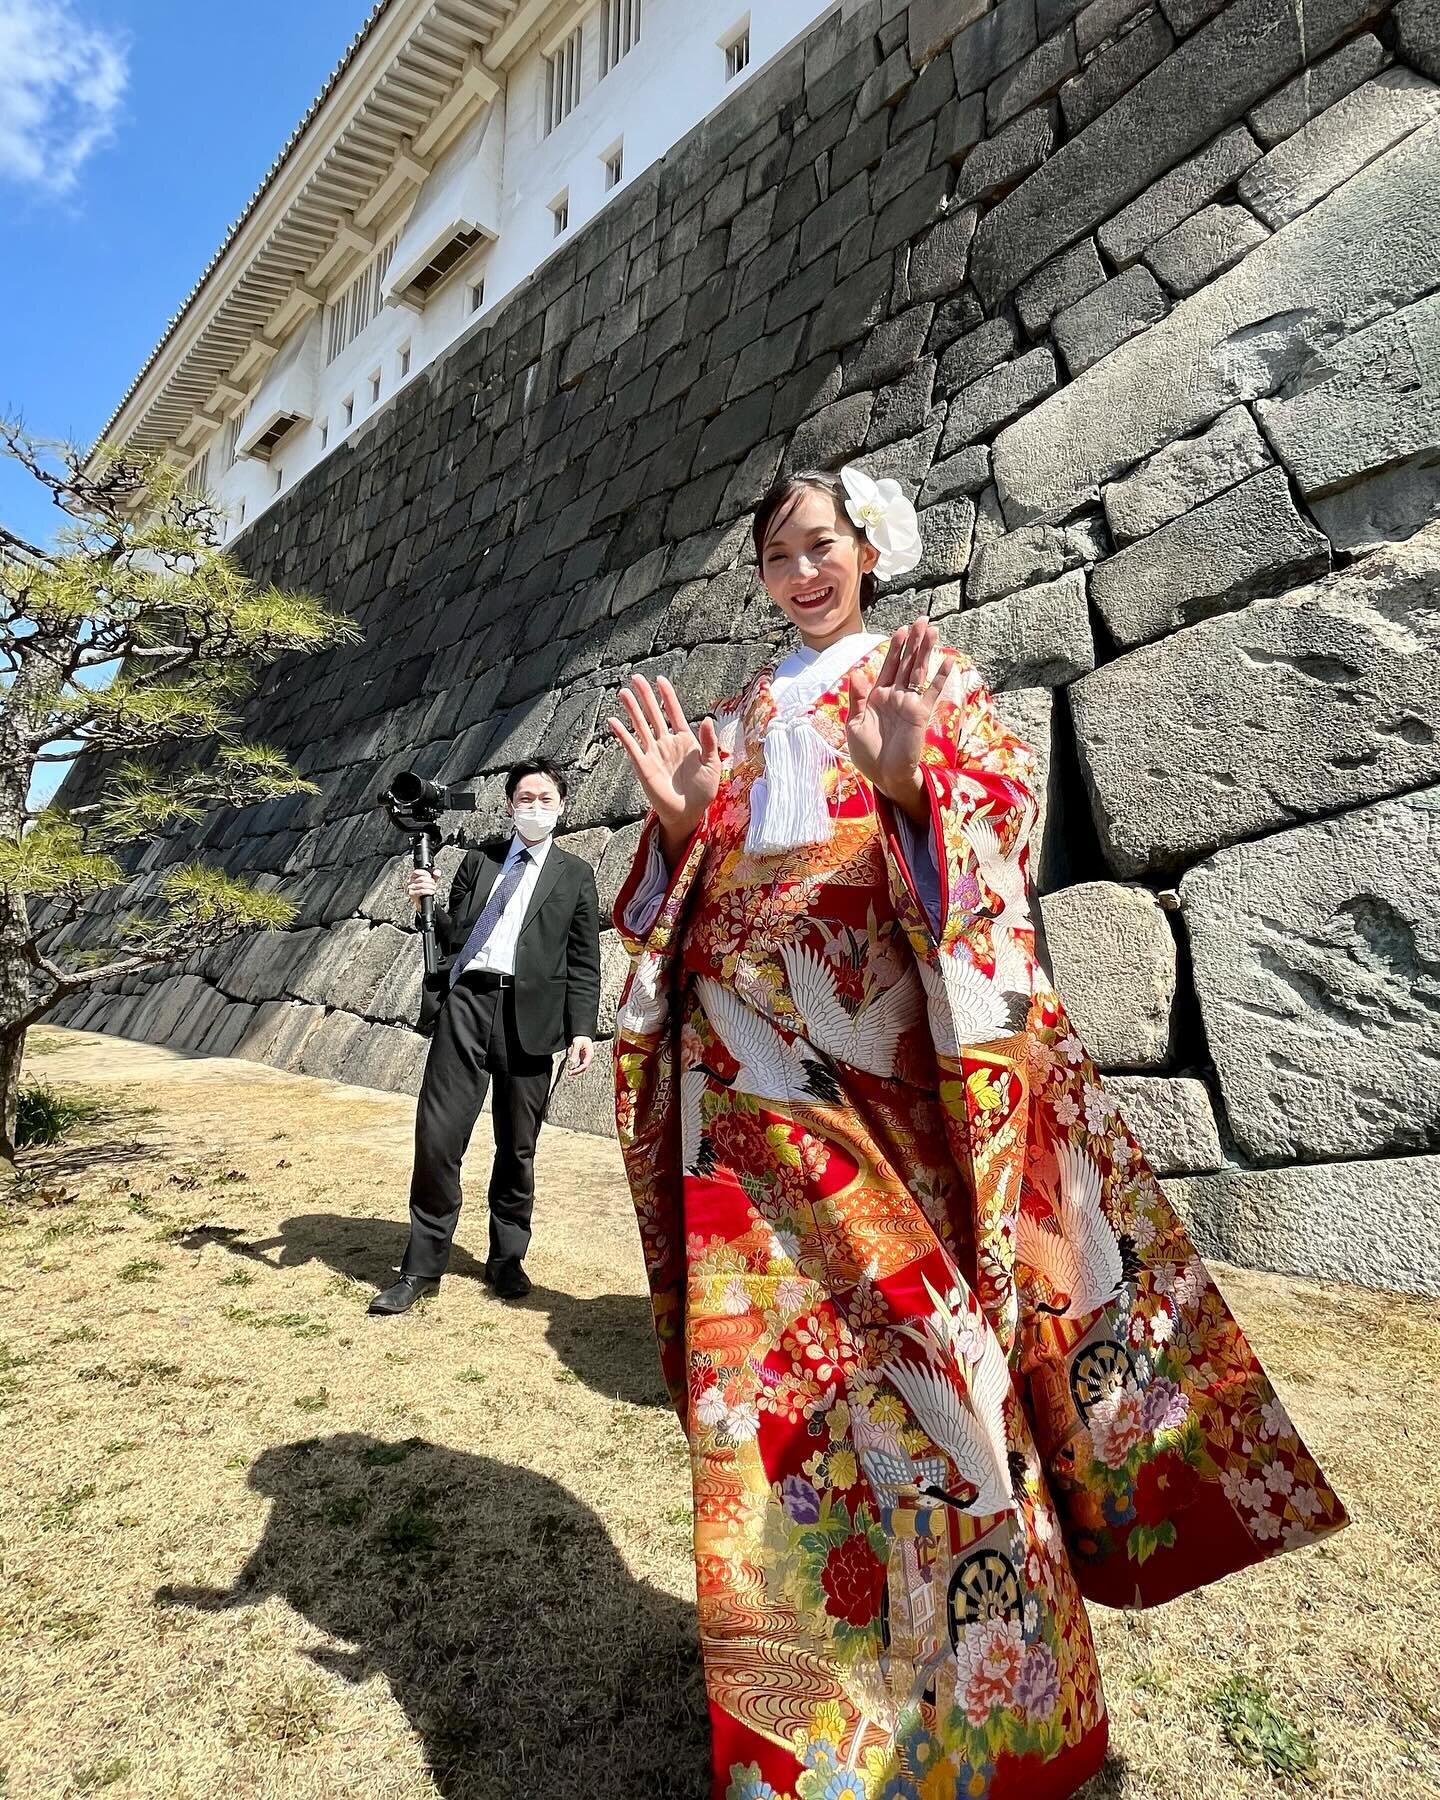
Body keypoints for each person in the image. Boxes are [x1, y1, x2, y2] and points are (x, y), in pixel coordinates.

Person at [605, 465, 1347, 1800]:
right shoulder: (736, 718)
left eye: (820, 545)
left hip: (898, 1115)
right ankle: (807, 1732)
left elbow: (995, 835)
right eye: (778, 556)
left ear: (868, 550)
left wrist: (909, 791)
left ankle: (1002, 1714)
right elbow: (677, 907)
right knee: (768, 1406)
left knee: (946, 1374)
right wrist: (677, 830)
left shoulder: (922, 669)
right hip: (752, 1118)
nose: (802, 573)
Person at [369, 757, 601, 1314]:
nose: (536, 807)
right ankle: (422, 1266)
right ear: (510, 804)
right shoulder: (480, 861)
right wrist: (428, 900)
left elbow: (582, 960)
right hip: (468, 1004)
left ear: (562, 807)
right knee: (438, 1135)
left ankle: (506, 1258)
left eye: (546, 799)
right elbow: (454, 937)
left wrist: (581, 1030)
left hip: (533, 1017)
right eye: (526, 798)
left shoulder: (575, 875)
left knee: (517, 1146)